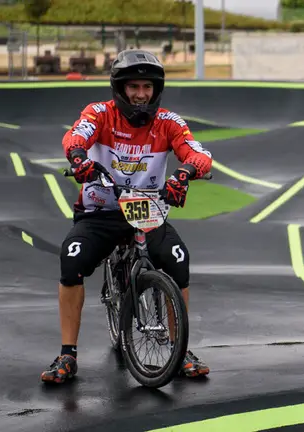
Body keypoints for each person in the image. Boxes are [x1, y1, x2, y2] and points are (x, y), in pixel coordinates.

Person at [41, 49, 213, 384]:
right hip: (101, 210)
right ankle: (67, 354)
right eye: (133, 86)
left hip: (147, 209)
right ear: (119, 88)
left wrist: (184, 174)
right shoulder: (100, 114)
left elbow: (198, 152)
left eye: (147, 87)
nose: (140, 94)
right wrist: (78, 156)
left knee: (178, 260)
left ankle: (180, 350)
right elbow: (76, 134)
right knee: (71, 260)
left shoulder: (168, 122)